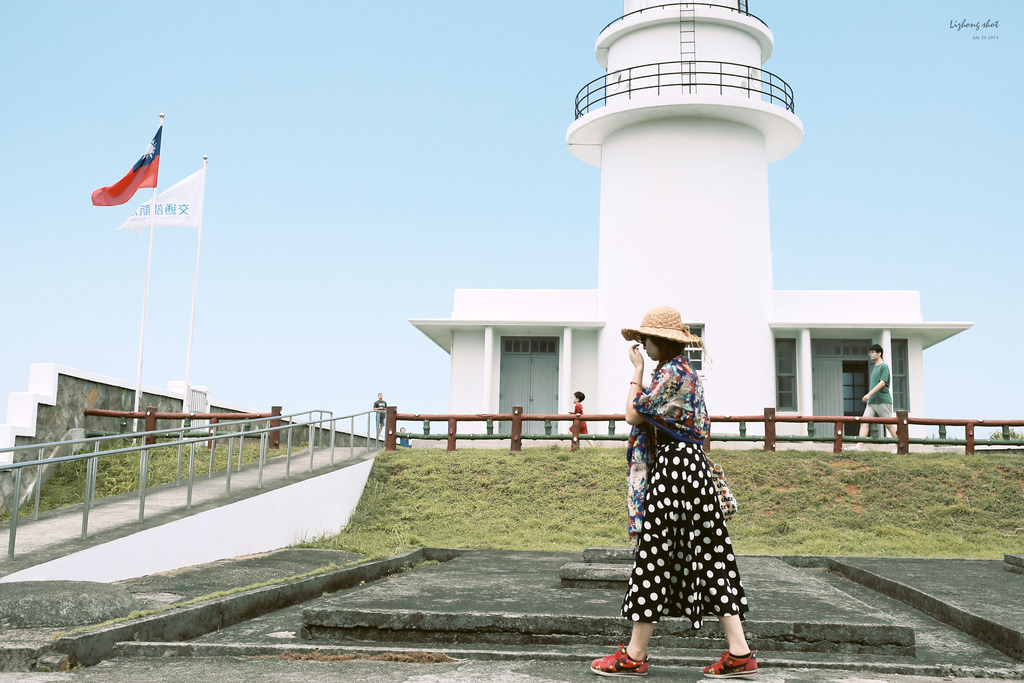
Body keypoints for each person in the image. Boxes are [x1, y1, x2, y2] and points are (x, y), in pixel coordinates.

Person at [590, 306, 756, 679]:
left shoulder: (669, 374)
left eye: (646, 340)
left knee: (654, 554)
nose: (643, 346)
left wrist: (635, 373)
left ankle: (634, 655)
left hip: (674, 470)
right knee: (711, 555)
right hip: (693, 469)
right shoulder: (686, 373)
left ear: (661, 342)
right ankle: (739, 651)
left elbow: (633, 414)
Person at [857, 344, 898, 449]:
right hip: (872, 402)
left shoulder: (884, 366)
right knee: (864, 422)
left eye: (872, 352)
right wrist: (870, 396)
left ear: (879, 353)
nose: (870, 354)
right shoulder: (875, 367)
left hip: (882, 401)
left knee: (889, 425)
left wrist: (869, 394)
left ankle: (900, 447)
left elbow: (883, 383)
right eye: (869, 352)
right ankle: (859, 446)